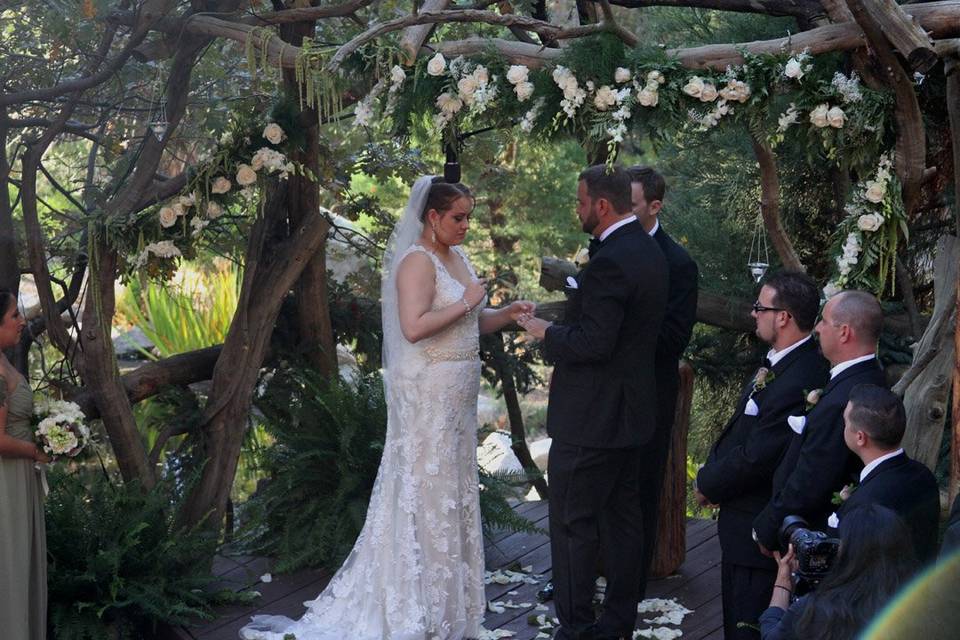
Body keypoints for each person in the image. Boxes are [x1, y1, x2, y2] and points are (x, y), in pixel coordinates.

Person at [240, 176, 534, 640]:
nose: (465, 227)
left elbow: (471, 326)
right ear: (433, 217)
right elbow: (414, 328)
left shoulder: (457, 258)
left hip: (458, 395)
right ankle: (417, 607)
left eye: (468, 219)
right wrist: (469, 303)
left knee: (452, 491)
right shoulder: (415, 264)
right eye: (458, 218)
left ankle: (448, 610)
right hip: (430, 395)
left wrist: (506, 314)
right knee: (425, 491)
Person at [518, 164, 668, 640]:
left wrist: (547, 332)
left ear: (602, 205)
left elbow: (593, 343)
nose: (577, 210)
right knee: (624, 520)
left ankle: (577, 628)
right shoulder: (649, 250)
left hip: (592, 421)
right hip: (631, 413)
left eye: (581, 202)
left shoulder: (611, 261)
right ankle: (619, 622)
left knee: (571, 524)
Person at [694, 271, 828, 640]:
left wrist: (708, 482)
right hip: (739, 528)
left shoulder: (800, 374)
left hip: (755, 532)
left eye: (760, 307)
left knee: (747, 627)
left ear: (782, 316)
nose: (754, 314)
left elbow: (759, 455)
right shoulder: (780, 363)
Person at [753, 290, 887, 553]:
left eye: (824, 322)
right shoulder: (862, 377)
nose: (817, 328)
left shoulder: (847, 397)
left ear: (844, 332)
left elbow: (812, 478)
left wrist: (768, 528)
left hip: (810, 535)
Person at [627, 165, 699, 598]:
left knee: (642, 487)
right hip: (605, 392)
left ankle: (632, 583)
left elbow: (674, 338)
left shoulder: (679, 263)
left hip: (649, 391)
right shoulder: (604, 247)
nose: (621, 211)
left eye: (630, 205)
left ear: (654, 207)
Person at [759, 504, 919, 640]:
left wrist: (782, 584)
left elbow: (773, 637)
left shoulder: (819, 610)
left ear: (849, 552)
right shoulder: (921, 609)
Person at [828, 384, 940, 565]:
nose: (844, 427)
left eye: (846, 422)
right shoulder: (923, 475)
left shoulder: (865, 505)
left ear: (860, 437)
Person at [0, 287, 50, 640]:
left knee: (19, 564)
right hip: (5, 482)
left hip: (17, 479)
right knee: (9, 565)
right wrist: (37, 450)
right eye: (13, 316)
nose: (21, 322)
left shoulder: (3, 361)